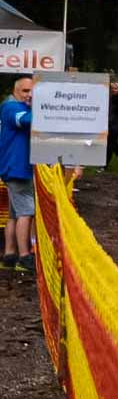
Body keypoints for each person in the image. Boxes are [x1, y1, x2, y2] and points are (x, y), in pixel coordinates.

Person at [0, 75, 36, 273]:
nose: (29, 95)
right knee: (26, 212)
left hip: (17, 168)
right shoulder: (11, 107)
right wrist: (45, 107)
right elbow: (28, 121)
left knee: (14, 215)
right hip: (17, 169)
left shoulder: (21, 106)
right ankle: (24, 256)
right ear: (15, 91)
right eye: (25, 91)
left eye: (32, 91)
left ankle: (9, 255)